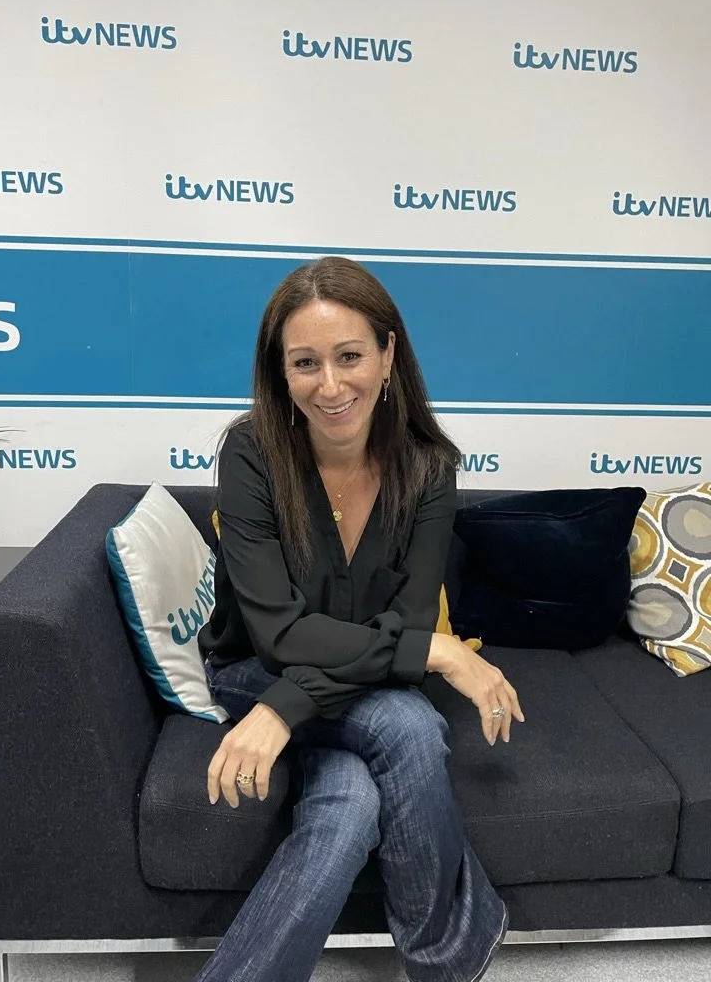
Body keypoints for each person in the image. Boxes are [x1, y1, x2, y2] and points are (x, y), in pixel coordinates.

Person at [196, 256, 524, 982]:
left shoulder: (429, 467)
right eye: (305, 363)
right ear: (281, 373)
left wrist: (290, 711)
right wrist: (439, 655)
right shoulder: (250, 452)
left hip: (358, 679)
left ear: (387, 355)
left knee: (347, 802)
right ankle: (446, 964)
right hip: (254, 669)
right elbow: (278, 634)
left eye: (350, 356)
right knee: (409, 724)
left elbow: (407, 618)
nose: (331, 385)